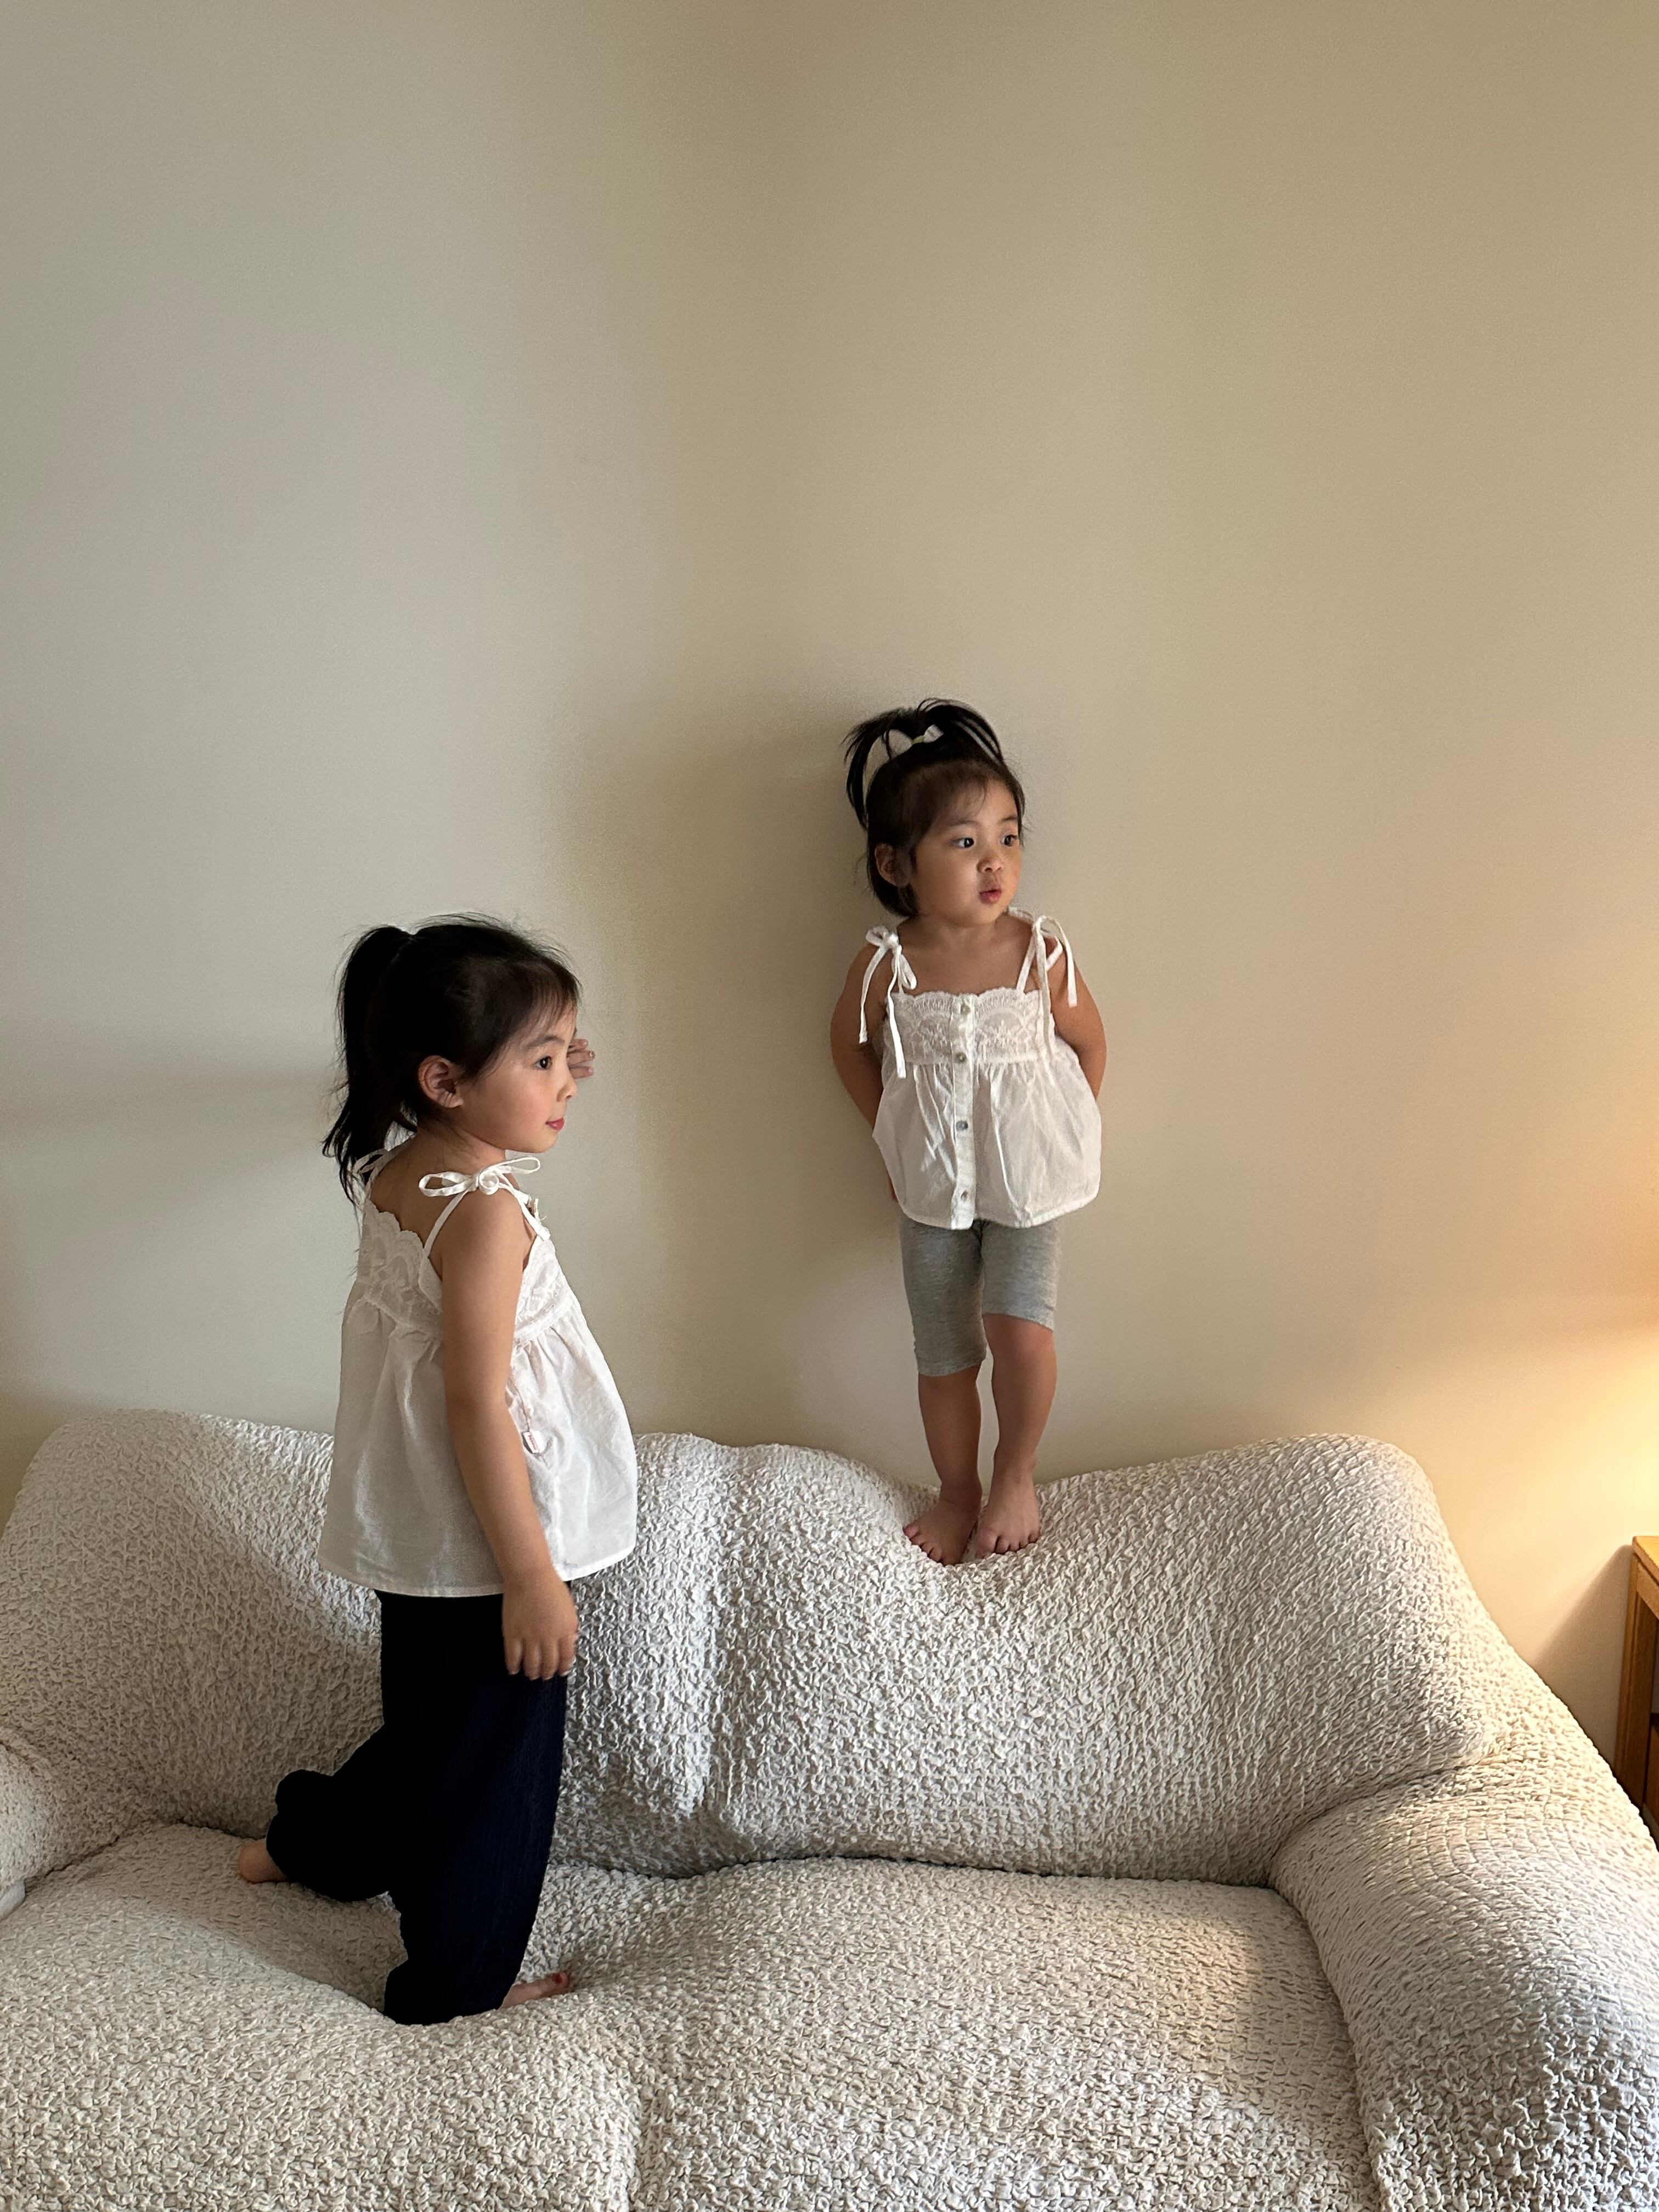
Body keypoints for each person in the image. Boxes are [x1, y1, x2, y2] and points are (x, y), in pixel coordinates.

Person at [236, 916, 636, 2024]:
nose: (570, 1081)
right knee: (492, 1781)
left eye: (567, 1053)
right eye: (544, 1060)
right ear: (446, 1079)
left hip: (416, 1535)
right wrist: (532, 1575)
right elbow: (475, 1401)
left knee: (429, 1733)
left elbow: (439, 1376)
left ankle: (308, 1847)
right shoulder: (488, 1217)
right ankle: (457, 1986)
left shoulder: (401, 1173)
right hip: (488, 1547)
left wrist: (536, 1053)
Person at [830, 702, 1106, 1566]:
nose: (996, 861)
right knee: (946, 1355)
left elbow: (1091, 1044)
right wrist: (889, 1140)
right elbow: (847, 1048)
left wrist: (1060, 1136)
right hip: (931, 1193)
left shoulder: (1040, 954)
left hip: (1028, 1187)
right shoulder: (887, 964)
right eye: (964, 841)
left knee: (1023, 1334)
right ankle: (956, 1492)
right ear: (896, 865)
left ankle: (1014, 1473)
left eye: (1009, 838)